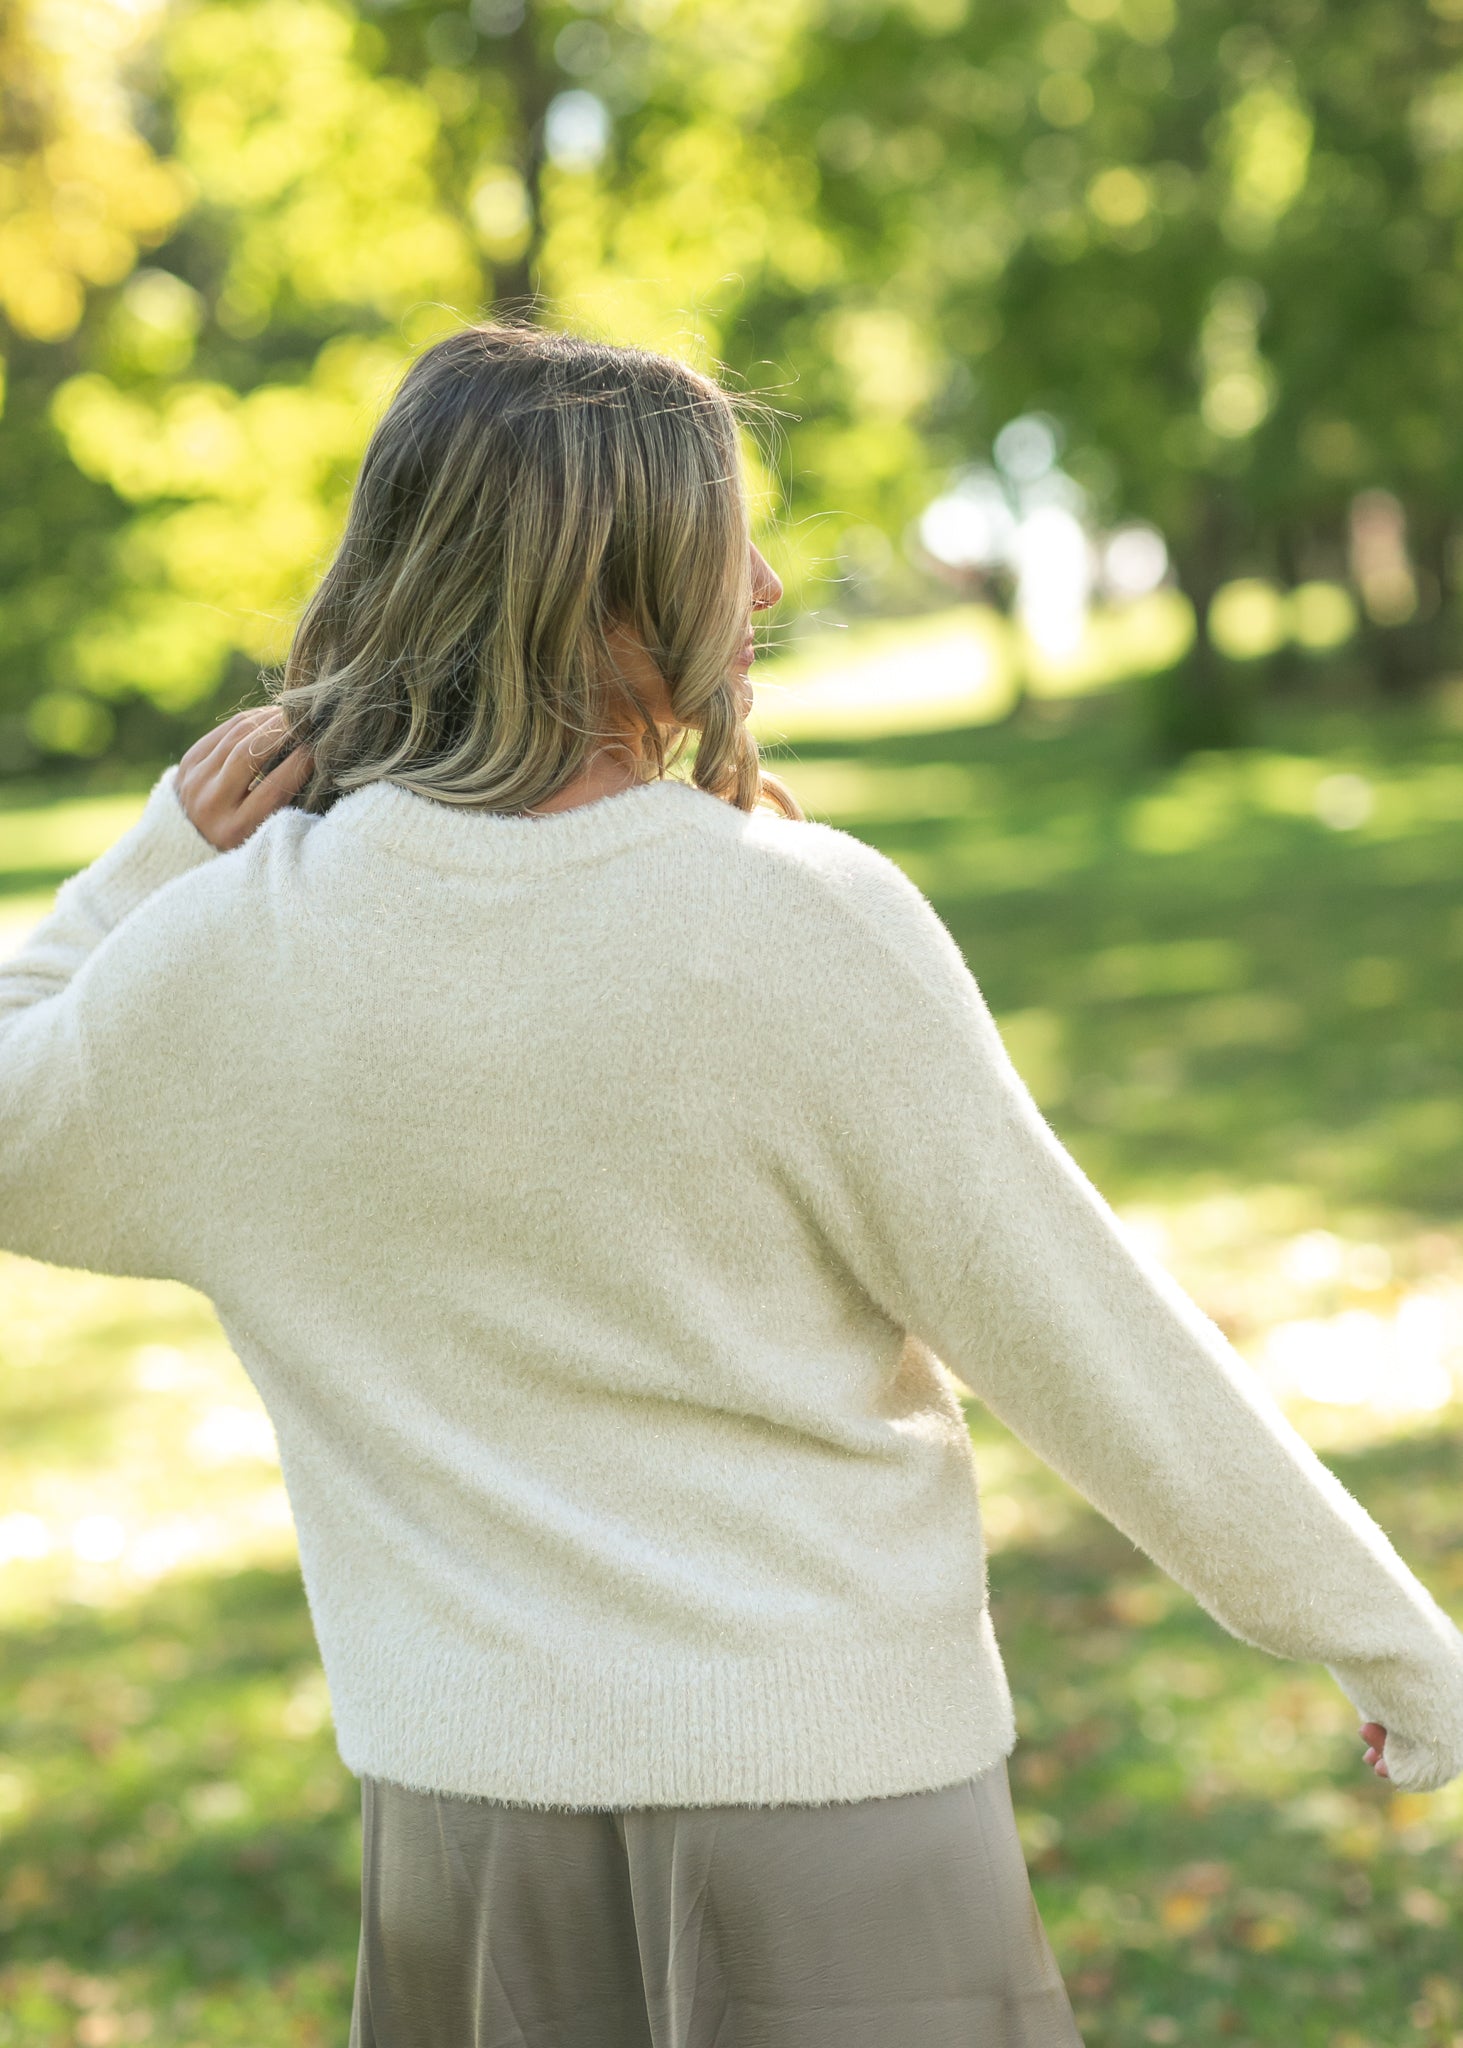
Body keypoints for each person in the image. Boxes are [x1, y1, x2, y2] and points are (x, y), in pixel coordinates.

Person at [1, 323, 1460, 2048]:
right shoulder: (801, 927)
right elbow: (1083, 1332)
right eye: (717, 547)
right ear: (590, 598)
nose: (760, 583)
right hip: (834, 1827)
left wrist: (160, 855)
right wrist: (1391, 1641)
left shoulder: (227, 959)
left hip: (460, 1853)